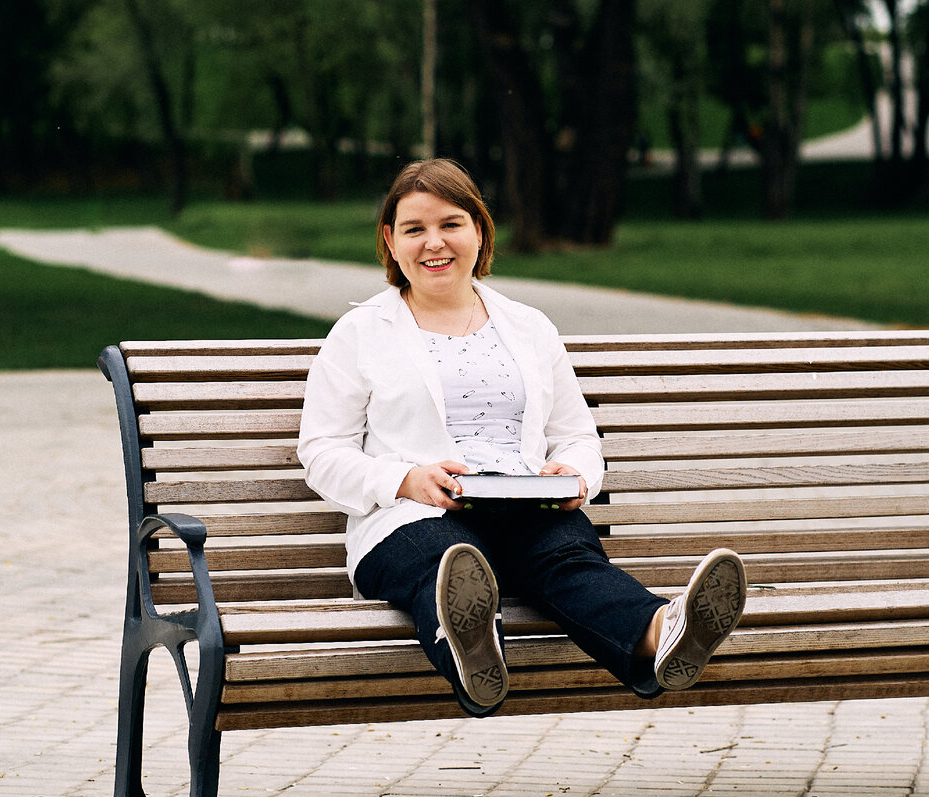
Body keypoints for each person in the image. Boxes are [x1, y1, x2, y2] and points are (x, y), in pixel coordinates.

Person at [297, 158, 746, 716]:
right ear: (390, 241)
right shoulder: (361, 332)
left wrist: (577, 476)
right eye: (414, 229)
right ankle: (471, 645)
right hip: (410, 518)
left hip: (523, 503)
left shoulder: (528, 327)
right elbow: (320, 451)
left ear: (480, 231)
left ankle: (664, 633)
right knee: (446, 563)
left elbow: (575, 434)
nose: (433, 242)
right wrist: (405, 479)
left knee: (570, 562)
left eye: (451, 224)